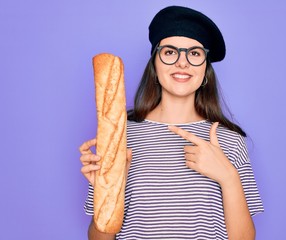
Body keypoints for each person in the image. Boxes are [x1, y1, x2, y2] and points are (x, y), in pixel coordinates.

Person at [79, 5, 264, 240]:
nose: (182, 63)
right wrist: (106, 189)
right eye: (170, 52)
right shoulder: (121, 137)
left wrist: (228, 176)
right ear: (154, 65)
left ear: (206, 69)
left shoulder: (230, 141)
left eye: (194, 53)